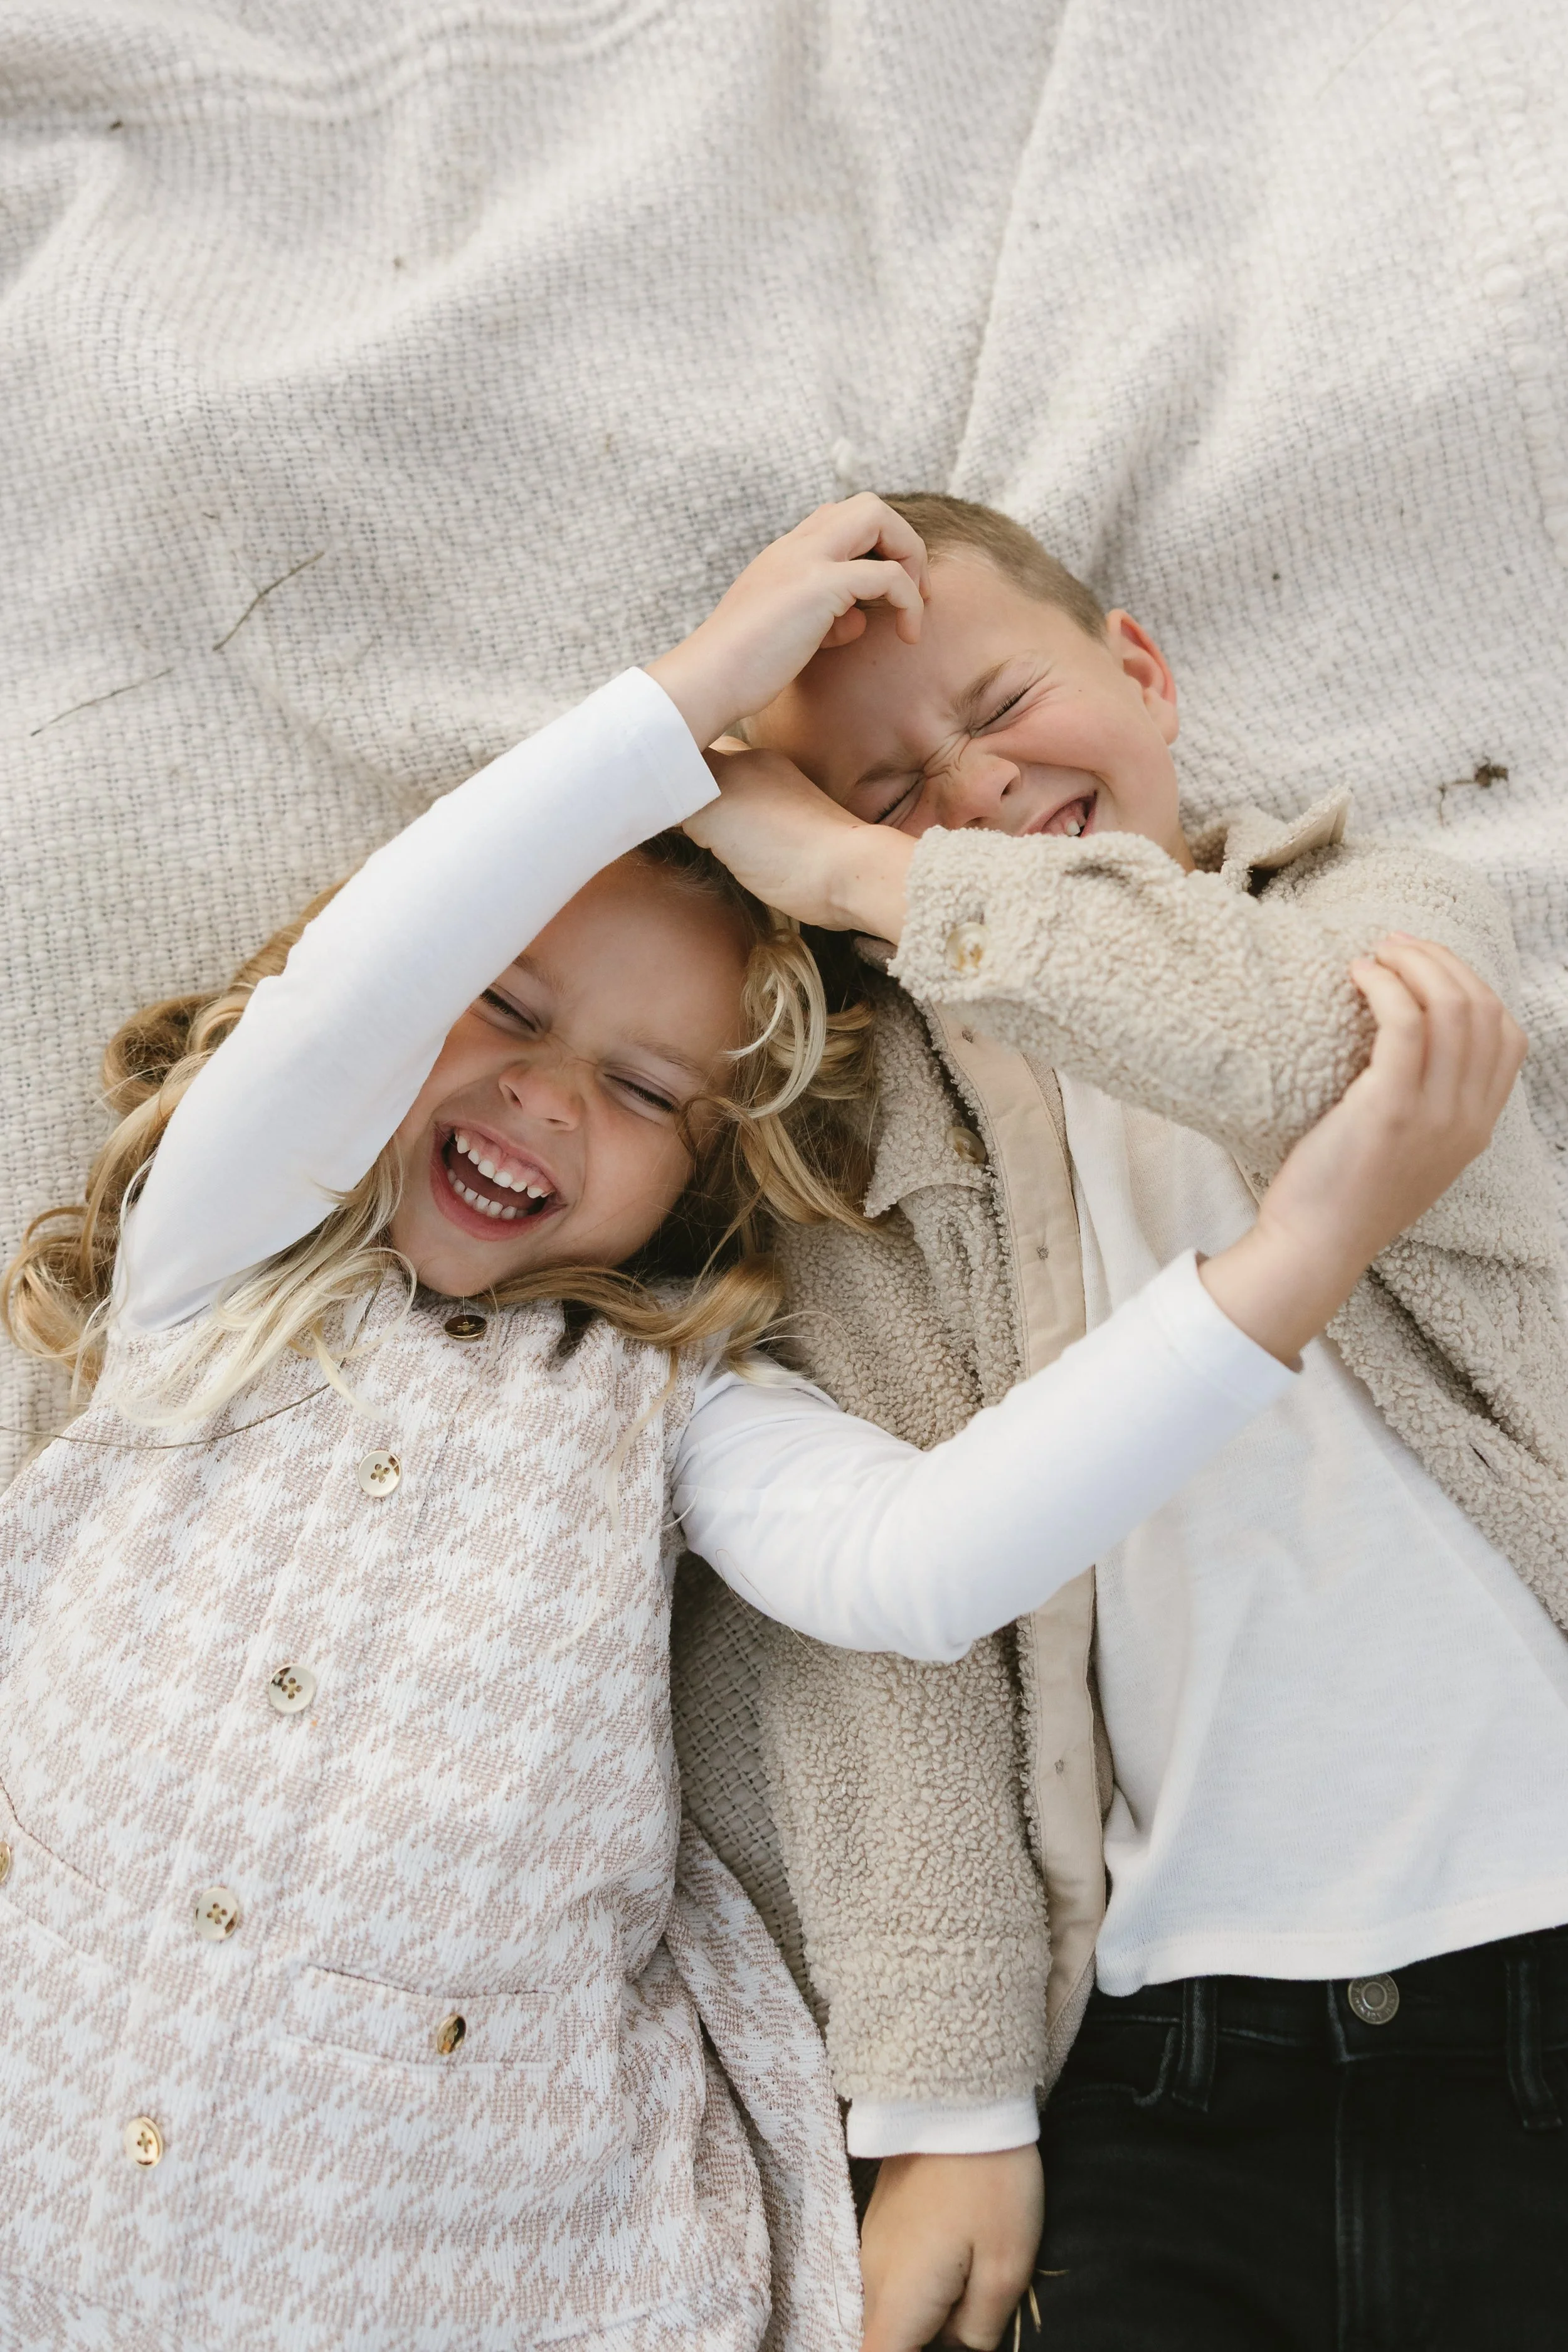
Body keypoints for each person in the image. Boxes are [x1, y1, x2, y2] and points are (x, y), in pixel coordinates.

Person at [0, 528, 1503, 2352]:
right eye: (504, 1007)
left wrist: (1290, 1264)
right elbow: (349, 994)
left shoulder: (671, 1410)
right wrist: (689, 695)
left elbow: (926, 1562)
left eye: (646, 1092)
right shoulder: (210, 1276)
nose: (548, 1096)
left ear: (700, 1176)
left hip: (460, 2232)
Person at [679, 492, 1568, 2351]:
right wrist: (943, 2098)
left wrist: (852, 866)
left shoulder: (1363, 907)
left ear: (1144, 672)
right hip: (1172, 2064)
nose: (970, 786)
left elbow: (1318, 1057)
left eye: (1001, 700)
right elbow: (880, 1638)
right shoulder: (865, 1160)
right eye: (883, 785)